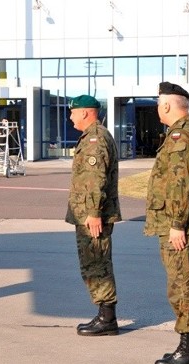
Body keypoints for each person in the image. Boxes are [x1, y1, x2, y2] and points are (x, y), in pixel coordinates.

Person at [144, 82, 189, 364]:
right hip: (183, 223)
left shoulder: (182, 135)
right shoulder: (181, 132)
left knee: (182, 286)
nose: (158, 108)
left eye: (159, 103)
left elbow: (181, 185)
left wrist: (176, 224)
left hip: (182, 226)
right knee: (184, 283)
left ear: (168, 105)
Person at [65, 95, 122, 336]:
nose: (70, 117)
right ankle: (104, 314)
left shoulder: (94, 140)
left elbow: (95, 179)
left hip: (92, 216)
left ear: (86, 113)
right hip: (89, 214)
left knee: (97, 263)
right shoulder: (94, 136)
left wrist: (94, 213)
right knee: (93, 263)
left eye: (73, 112)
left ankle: (107, 319)